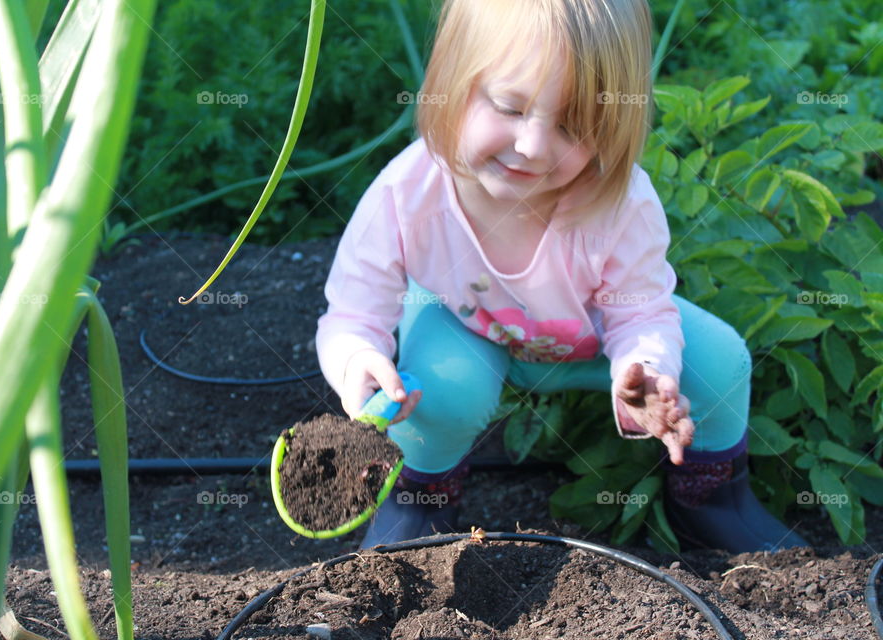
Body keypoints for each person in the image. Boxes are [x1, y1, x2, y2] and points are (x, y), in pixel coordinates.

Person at [315, 0, 808, 553]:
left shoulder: (618, 205)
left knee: (720, 363)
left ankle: (710, 499)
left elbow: (640, 311)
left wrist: (645, 373)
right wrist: (358, 360)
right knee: (437, 394)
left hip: (592, 337)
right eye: (508, 106)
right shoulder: (404, 196)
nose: (532, 146)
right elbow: (354, 314)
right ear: (451, 80)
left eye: (573, 125)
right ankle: (421, 498)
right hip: (464, 324)